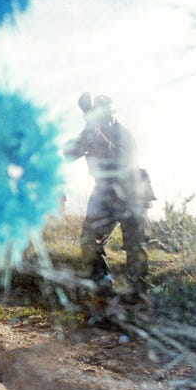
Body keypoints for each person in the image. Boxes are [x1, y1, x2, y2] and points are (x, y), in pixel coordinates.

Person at [63, 94, 155, 304]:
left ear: (113, 113)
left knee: (135, 244)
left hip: (131, 191)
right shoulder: (91, 132)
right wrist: (87, 134)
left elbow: (123, 160)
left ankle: (139, 294)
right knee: (89, 240)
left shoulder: (123, 134)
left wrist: (98, 137)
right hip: (104, 192)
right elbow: (68, 153)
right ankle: (103, 291)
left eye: (107, 114)